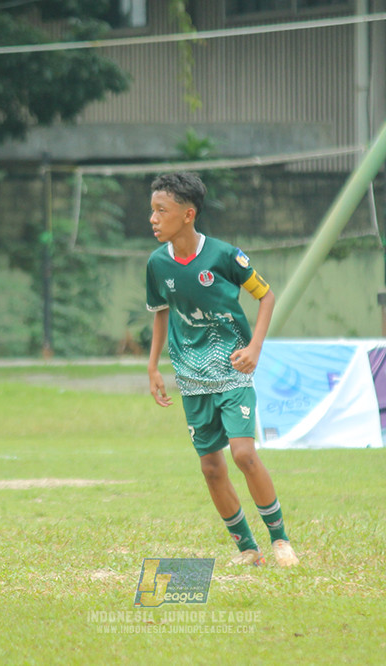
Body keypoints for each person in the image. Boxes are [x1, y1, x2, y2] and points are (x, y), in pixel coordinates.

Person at [145, 172, 299, 568]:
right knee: (211, 467)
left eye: (162, 210)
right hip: (192, 378)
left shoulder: (226, 256)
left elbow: (266, 298)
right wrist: (153, 368)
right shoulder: (157, 264)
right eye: (152, 211)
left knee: (243, 453)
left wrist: (254, 348)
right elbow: (161, 314)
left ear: (188, 214)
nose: (154, 218)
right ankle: (248, 549)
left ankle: (281, 541)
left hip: (233, 370)